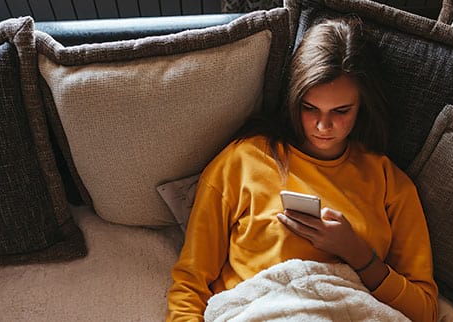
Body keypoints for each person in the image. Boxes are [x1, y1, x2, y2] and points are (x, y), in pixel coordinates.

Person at [167, 16, 437, 322]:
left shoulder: (390, 183)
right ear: (294, 99)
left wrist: (358, 254)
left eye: (341, 111)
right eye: (310, 108)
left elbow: (425, 310)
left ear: (362, 105)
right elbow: (190, 283)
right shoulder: (242, 161)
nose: (323, 126)